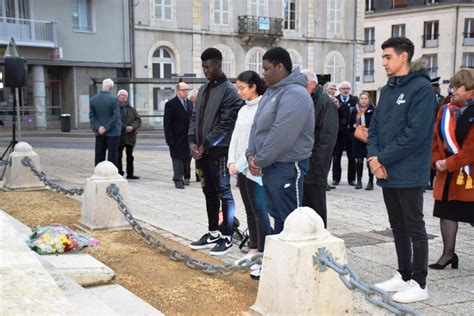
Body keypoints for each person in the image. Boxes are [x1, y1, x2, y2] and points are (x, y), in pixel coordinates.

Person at [368, 37, 434, 303]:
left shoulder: (421, 89)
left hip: (408, 170)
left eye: (387, 57)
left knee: (414, 226)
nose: (383, 62)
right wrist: (374, 158)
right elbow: (374, 127)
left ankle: (419, 282)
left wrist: (381, 158)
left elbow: (415, 134)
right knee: (397, 226)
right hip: (386, 170)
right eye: (383, 57)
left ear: (403, 56)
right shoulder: (389, 89)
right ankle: (403, 274)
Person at [246, 47, 314, 234]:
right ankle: (280, 261)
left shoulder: (295, 94)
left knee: (290, 220)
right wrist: (250, 153)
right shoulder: (271, 92)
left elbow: (282, 134)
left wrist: (259, 160)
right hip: (271, 164)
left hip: (288, 166)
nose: (263, 73)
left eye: (266, 68)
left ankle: (291, 262)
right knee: (277, 215)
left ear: (280, 67)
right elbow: (256, 126)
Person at [188, 48, 243, 256]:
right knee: (208, 192)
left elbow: (227, 123)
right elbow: (194, 119)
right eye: (203, 67)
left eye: (208, 66)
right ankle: (213, 232)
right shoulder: (202, 90)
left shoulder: (229, 90)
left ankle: (227, 236)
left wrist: (206, 144)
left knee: (224, 193)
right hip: (201, 153)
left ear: (219, 65)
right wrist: (192, 143)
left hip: (219, 152)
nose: (205, 70)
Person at [228, 70, 271, 280]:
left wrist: (242, 163)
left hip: (254, 168)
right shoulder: (243, 109)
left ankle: (263, 255)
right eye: (237, 88)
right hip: (240, 168)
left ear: (254, 86)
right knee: (250, 211)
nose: (239, 92)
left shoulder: (263, 107)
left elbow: (257, 140)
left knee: (261, 212)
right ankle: (253, 249)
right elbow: (236, 136)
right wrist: (230, 161)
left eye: (242, 88)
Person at [429, 69, 474, 270]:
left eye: (458, 86)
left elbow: (471, 149)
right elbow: (435, 139)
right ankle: (448, 254)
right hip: (447, 173)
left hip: (468, 174)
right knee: (447, 212)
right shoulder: (445, 109)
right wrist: (437, 160)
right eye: (452, 86)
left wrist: (449, 164)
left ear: (470, 89)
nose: (452, 90)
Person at [301, 69, 338, 228]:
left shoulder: (325, 102)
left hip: (316, 164)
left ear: (312, 84)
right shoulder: (306, 100)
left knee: (316, 204)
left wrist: (319, 166)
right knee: (305, 205)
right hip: (304, 160)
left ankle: (319, 236)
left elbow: (327, 138)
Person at [164, 82, 193, 189]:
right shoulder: (171, 104)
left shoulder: (189, 103)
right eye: (183, 90)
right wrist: (169, 139)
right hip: (176, 137)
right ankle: (178, 179)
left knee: (186, 158)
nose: (186, 92)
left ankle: (184, 177)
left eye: (187, 90)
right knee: (177, 159)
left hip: (188, 138)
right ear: (178, 91)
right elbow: (167, 124)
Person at [89, 78, 121, 166]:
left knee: (99, 154)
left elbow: (92, 116)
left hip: (99, 133)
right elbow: (116, 116)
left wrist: (99, 127)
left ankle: (99, 173)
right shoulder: (114, 99)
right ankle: (112, 173)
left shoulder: (93, 99)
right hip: (113, 132)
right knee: (112, 156)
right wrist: (106, 127)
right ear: (111, 88)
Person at [332, 81, 358, 186]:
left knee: (352, 157)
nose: (345, 90)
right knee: (336, 156)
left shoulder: (355, 100)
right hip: (338, 133)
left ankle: (351, 179)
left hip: (351, 133)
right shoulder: (334, 100)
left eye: (347, 88)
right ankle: (336, 178)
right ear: (339, 90)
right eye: (343, 88)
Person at [350, 92, 375, 190]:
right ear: (359, 100)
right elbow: (350, 122)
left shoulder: (373, 110)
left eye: (365, 98)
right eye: (362, 98)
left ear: (369, 100)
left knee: (369, 161)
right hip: (357, 138)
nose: (363, 100)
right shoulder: (354, 110)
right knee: (359, 160)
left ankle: (370, 182)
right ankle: (359, 181)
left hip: (369, 138)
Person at [426, 77, 446, 190]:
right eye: (434, 86)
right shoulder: (427, 99)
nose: (436, 88)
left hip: (438, 131)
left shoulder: (442, 99)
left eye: (437, 86)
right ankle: (426, 181)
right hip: (428, 130)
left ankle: (432, 181)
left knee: (435, 154)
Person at [117, 89, 141, 179]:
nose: (123, 96)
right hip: (120, 135)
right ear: (118, 97)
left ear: (127, 97)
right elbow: (116, 120)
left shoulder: (132, 109)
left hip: (130, 136)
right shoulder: (115, 108)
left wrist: (132, 127)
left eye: (124, 95)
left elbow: (138, 120)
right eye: (121, 95)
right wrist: (125, 128)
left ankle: (130, 173)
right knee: (118, 155)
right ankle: (119, 172)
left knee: (130, 155)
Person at [188, 88, 200, 182]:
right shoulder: (188, 105)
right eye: (196, 96)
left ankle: (198, 176)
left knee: (198, 157)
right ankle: (186, 176)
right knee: (187, 158)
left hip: (198, 136)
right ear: (192, 97)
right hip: (189, 135)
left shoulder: (200, 105)